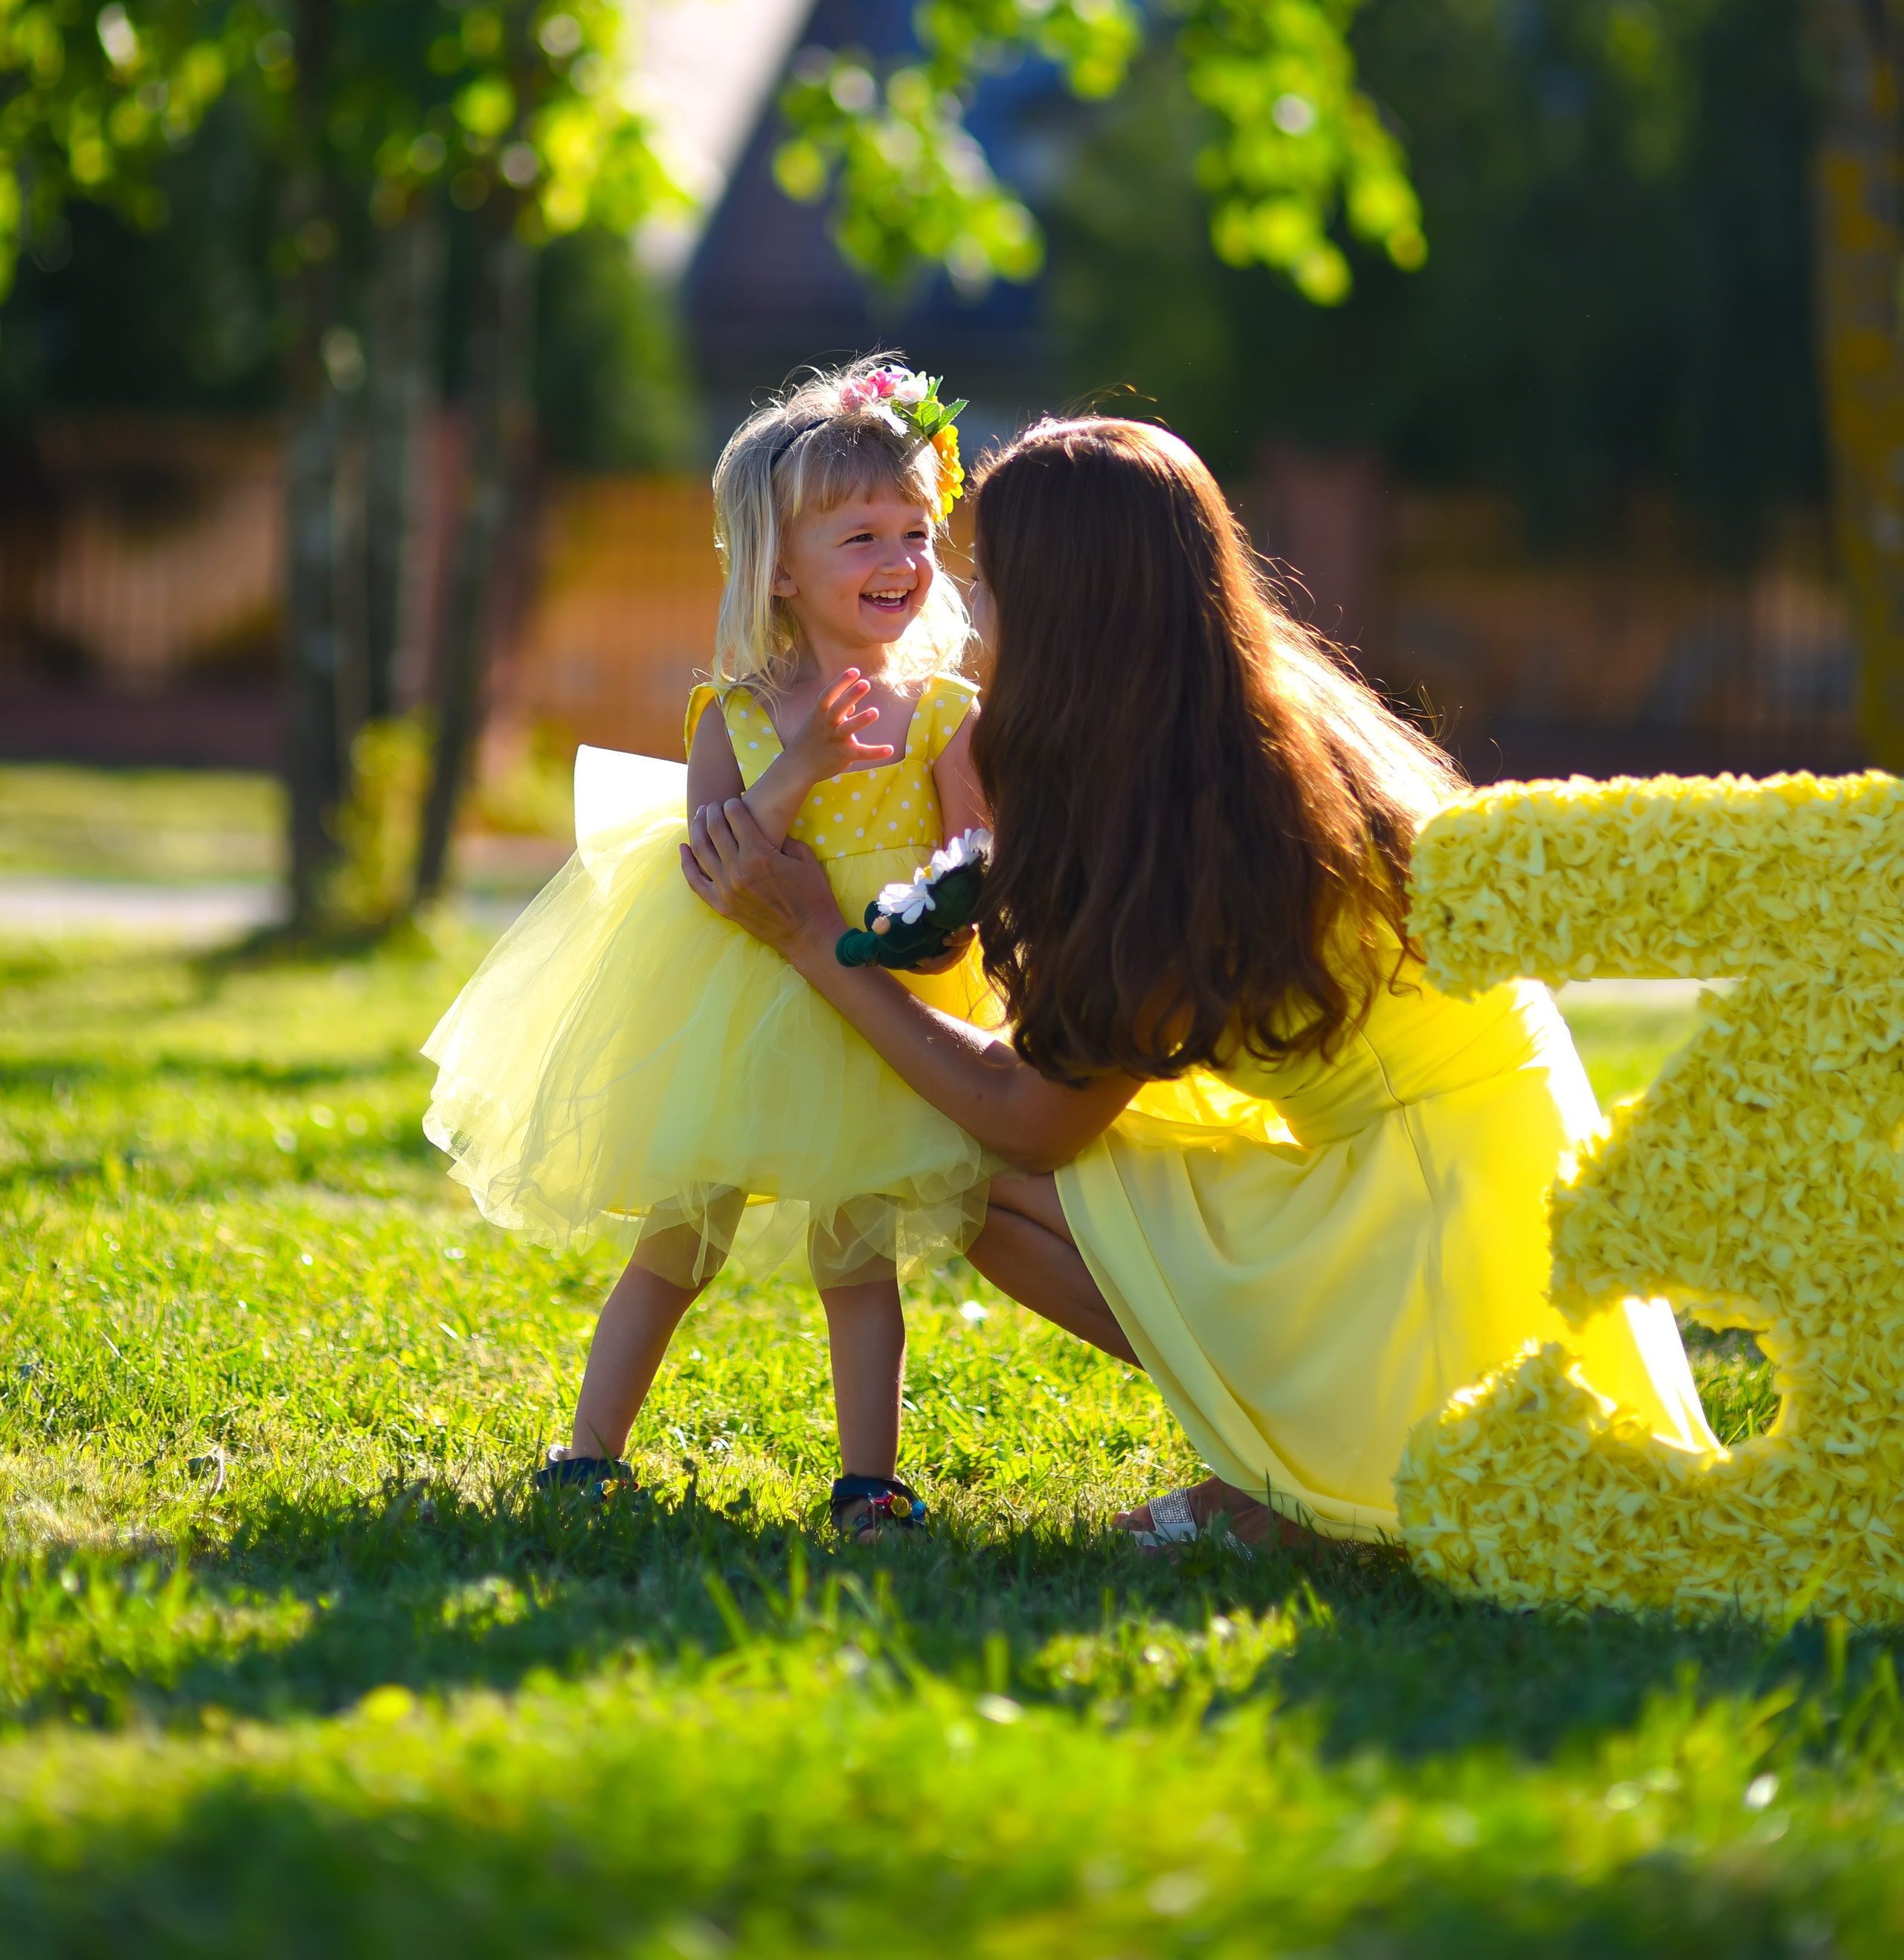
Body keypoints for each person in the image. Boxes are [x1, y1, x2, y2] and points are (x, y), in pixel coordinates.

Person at [681, 416, 1714, 1551]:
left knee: (971, 1176)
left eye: (991, 583)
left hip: (1436, 1222)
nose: (970, 610)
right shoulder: (1248, 716)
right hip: (1469, 1165)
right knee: (1007, 1162)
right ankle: (1298, 1454)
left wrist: (818, 938)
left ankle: (1311, 1472)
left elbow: (1030, 1120)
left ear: (1062, 613)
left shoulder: (1181, 816)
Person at [422, 359, 997, 1538]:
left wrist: (942, 922)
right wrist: (804, 765)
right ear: (782, 569)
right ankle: (588, 1451)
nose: (899, 558)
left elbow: (972, 859)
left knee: (859, 1257)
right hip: (743, 1012)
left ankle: (869, 1479)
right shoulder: (735, 717)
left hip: (877, 1008)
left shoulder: (944, 713)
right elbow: (716, 860)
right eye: (861, 537)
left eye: (914, 531)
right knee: (678, 1243)